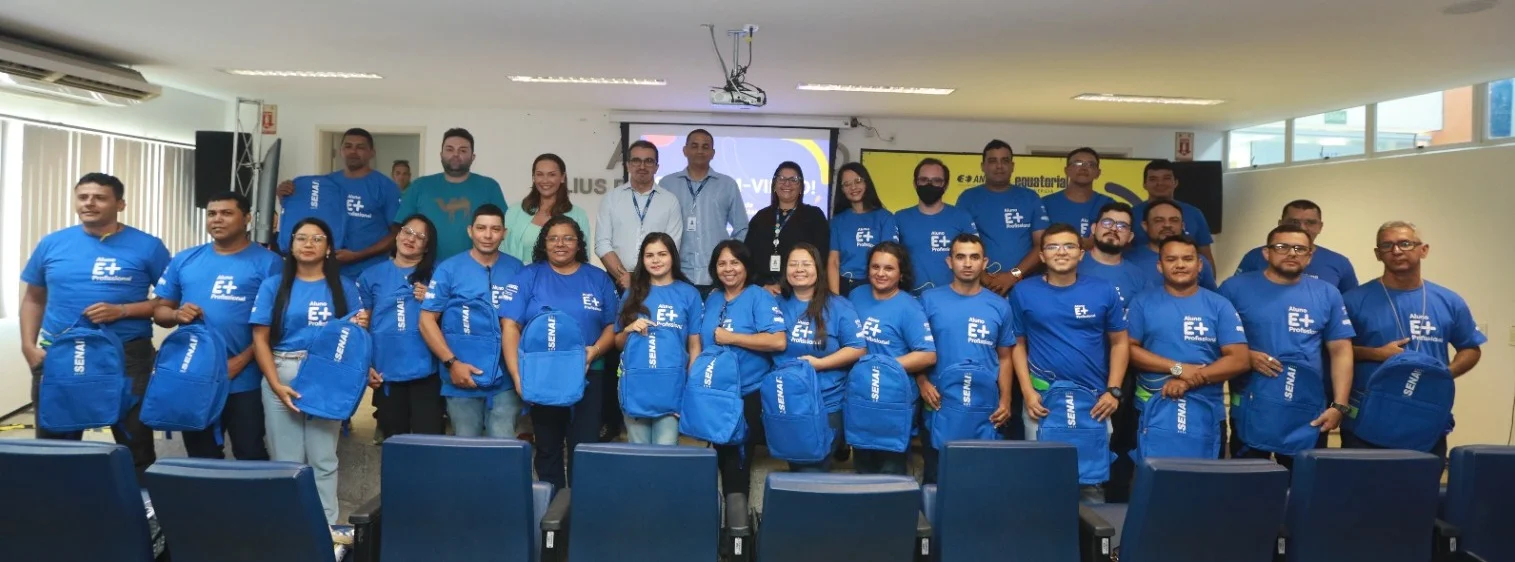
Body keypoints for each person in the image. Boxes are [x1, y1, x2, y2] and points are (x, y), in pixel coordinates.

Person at [21, 172, 170, 476]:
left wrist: (124, 310)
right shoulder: (52, 244)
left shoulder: (148, 246)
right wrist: (27, 346)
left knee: (135, 442)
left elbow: (169, 303)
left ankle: (143, 512)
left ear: (120, 204)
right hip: (60, 354)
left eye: (100, 197)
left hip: (127, 356)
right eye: (83, 196)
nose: (89, 203)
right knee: (55, 443)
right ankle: (59, 510)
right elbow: (34, 298)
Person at [249, 217, 369, 526]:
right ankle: (290, 530)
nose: (309, 244)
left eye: (317, 239)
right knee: (286, 462)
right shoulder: (273, 286)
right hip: (282, 371)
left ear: (329, 248)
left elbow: (354, 339)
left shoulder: (344, 288)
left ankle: (326, 529)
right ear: (290, 245)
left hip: (326, 377)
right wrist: (275, 384)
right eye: (302, 238)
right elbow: (260, 339)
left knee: (323, 458)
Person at [152, 191, 280, 460]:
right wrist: (176, 315)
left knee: (250, 451)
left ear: (246, 218)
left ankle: (250, 503)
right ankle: (208, 503)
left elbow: (278, 325)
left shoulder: (270, 263)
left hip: (244, 378)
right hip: (194, 377)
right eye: (212, 214)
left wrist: (241, 361)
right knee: (201, 453)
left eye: (226, 213)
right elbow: (159, 311)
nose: (217, 219)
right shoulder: (185, 259)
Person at [1341, 221, 1484, 458]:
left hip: (1425, 419)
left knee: (1420, 493)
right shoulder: (1353, 301)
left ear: (1423, 250)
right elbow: (1334, 351)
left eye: (1405, 243)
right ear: (1378, 254)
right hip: (1367, 420)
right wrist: (1375, 354)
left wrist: (1444, 374)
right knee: (1361, 493)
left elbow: (1470, 348)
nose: (1396, 251)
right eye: (1387, 245)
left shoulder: (1449, 301)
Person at [1219, 225, 1355, 467]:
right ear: (1266, 253)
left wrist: (1339, 406)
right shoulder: (1234, 288)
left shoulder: (1328, 293)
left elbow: (1341, 351)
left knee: (1304, 489)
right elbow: (1214, 340)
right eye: (1282, 247)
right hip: (1252, 404)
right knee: (1246, 485)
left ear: (1310, 255)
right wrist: (1245, 356)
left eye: (1299, 248)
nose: (1291, 253)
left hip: (1307, 408)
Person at [500, 216, 619, 490]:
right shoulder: (529, 276)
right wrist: (518, 376)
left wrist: (594, 352)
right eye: (553, 238)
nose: (560, 244)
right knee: (547, 450)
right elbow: (510, 326)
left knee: (585, 451)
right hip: (542, 377)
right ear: (544, 244)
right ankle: (551, 518)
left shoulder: (598, 278)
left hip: (590, 374)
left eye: (568, 238)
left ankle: (581, 515)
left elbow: (613, 326)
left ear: (579, 244)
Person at [1124, 235, 1249, 454]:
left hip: (1206, 410)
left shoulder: (1219, 305)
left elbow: (1239, 360)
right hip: (1152, 410)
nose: (1180, 265)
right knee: (1154, 483)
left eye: (1187, 259)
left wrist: (1190, 381)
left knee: (1205, 483)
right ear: (1160, 266)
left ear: (1199, 264)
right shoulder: (1142, 302)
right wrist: (1178, 369)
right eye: (1171, 259)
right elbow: (1128, 350)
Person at [418, 204, 526, 438]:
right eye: (481, 228)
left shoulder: (516, 269)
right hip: (461, 376)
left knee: (504, 447)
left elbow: (523, 322)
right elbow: (426, 320)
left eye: (495, 229)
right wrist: (452, 363)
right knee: (466, 451)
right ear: (470, 231)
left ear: (504, 233)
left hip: (505, 378)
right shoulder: (449, 268)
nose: (488, 235)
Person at [1012, 224, 1129, 437]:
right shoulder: (1022, 291)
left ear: (1081, 254)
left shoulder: (1104, 289)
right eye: (1053, 246)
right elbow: (1017, 344)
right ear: (1042, 255)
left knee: (1092, 468)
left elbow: (1120, 342)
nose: (1061, 252)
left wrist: (1113, 391)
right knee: (1042, 468)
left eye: (1069, 246)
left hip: (1095, 399)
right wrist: (1027, 392)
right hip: (1042, 398)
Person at [918, 234, 1017, 483]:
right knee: (938, 479)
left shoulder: (1000, 306)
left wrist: (1005, 399)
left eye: (974, 257)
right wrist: (922, 383)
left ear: (985, 263)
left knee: (982, 482)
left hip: (984, 408)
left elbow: (1005, 357)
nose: (967, 263)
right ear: (949, 262)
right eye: (960, 257)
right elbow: (915, 349)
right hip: (940, 404)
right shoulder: (928, 300)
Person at [702, 240, 787, 496]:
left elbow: (778, 340)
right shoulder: (713, 297)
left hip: (747, 393)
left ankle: (737, 531)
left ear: (746, 266)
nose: (729, 269)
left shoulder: (758, 296)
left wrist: (733, 337)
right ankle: (716, 522)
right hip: (715, 392)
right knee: (716, 458)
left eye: (735, 262)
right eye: (722, 263)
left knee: (736, 461)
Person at [774, 243, 866, 472]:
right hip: (788, 401)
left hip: (828, 402)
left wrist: (820, 364)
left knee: (813, 469)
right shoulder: (774, 304)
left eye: (806, 263)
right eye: (793, 264)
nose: (799, 269)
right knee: (796, 465)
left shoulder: (839, 306)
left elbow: (858, 348)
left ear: (818, 268)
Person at [846, 242, 936, 475]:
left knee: (890, 468)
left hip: (895, 398)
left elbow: (927, 354)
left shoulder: (909, 307)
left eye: (888, 268)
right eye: (875, 267)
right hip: (861, 395)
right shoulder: (856, 296)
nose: (880, 273)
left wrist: (884, 366)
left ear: (901, 273)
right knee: (863, 464)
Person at [359, 214, 444, 438]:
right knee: (395, 441)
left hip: (427, 370)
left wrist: (436, 300)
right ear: (397, 235)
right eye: (407, 231)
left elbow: (457, 319)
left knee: (430, 441)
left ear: (427, 247)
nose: (411, 239)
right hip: (387, 371)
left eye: (420, 236)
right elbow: (361, 326)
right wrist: (365, 365)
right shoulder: (371, 275)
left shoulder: (439, 275)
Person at [614, 233, 703, 445]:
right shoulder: (632, 294)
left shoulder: (689, 293)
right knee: (638, 454)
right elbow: (617, 343)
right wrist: (629, 329)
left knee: (666, 453)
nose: (656, 260)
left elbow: (694, 345)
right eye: (649, 255)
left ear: (673, 256)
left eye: (662, 254)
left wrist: (690, 386)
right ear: (642, 260)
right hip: (636, 384)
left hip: (672, 385)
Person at [659, 129, 751, 297]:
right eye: (694, 146)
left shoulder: (727, 184)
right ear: (685, 150)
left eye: (705, 146)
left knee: (715, 323)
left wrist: (729, 259)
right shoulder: (667, 184)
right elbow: (659, 229)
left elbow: (742, 227)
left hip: (717, 277)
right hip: (678, 275)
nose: (700, 151)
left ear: (713, 153)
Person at [394, 128, 509, 261]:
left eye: (463, 150)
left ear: (473, 157)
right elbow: (402, 228)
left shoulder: (489, 187)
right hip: (425, 269)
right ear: (441, 154)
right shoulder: (420, 186)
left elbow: (502, 229)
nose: (455, 154)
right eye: (449, 149)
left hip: (476, 268)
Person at [955, 140, 1049, 295]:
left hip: (1026, 285)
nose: (999, 166)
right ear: (983, 166)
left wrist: (1013, 276)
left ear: (1012, 166)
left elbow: (1042, 245)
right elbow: (962, 244)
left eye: (1005, 161)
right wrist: (984, 277)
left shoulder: (1030, 197)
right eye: (992, 161)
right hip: (982, 286)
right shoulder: (968, 198)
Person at [597, 140, 684, 289]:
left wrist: (643, 280)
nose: (642, 166)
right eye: (636, 161)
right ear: (628, 165)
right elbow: (602, 243)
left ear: (657, 167)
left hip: (656, 281)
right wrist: (624, 277)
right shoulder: (611, 199)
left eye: (648, 161)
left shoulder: (670, 201)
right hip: (618, 281)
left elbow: (671, 247)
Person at [1234, 200, 1358, 294]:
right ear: (1280, 224)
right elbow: (1235, 294)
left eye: (1310, 223)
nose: (1302, 228)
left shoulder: (1339, 263)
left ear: (1320, 227)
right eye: (1294, 222)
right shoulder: (1255, 256)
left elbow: (1349, 308)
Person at [326, 128, 403, 277]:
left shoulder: (386, 187)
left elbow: (397, 234)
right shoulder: (326, 183)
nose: (353, 151)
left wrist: (357, 255)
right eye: (348, 146)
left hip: (371, 272)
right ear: (341, 151)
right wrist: (285, 194)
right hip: (329, 272)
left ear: (371, 153)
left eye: (360, 147)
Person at [745, 161, 831, 292]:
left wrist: (791, 285)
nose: (787, 183)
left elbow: (821, 257)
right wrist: (762, 285)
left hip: (801, 289)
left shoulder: (814, 216)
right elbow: (747, 256)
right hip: (763, 290)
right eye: (781, 178)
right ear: (774, 185)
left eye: (793, 179)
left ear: (801, 187)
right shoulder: (761, 217)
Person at [895, 158, 977, 293]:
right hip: (911, 299)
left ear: (945, 185)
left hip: (953, 299)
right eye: (924, 180)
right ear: (915, 183)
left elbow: (974, 259)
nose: (929, 185)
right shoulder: (899, 218)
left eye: (936, 181)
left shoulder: (962, 217)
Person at [503, 153, 591, 264]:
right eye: (539, 174)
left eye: (552, 175)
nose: (545, 180)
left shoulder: (578, 215)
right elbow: (502, 252)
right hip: (521, 278)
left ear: (562, 177)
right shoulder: (514, 211)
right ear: (533, 177)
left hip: (562, 280)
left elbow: (583, 258)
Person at [829, 163, 898, 297]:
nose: (853, 187)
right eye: (846, 184)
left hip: (874, 285)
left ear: (867, 183)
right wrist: (835, 299)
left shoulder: (885, 218)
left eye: (858, 181)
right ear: (842, 189)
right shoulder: (837, 221)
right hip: (844, 286)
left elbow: (888, 259)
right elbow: (833, 261)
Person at [1130, 159, 1216, 265]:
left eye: (1166, 178)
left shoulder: (1195, 214)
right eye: (1153, 179)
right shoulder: (1131, 215)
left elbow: (1206, 256)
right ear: (1144, 184)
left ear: (1175, 182)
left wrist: (1209, 280)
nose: (1160, 183)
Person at [1125, 199, 1217, 291]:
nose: (1167, 225)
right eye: (1159, 220)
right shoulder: (1128, 260)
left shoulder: (1198, 261)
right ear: (1145, 226)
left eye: (1174, 220)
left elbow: (1211, 299)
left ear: (1182, 226)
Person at [1078, 202, 1151, 303]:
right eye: (1107, 223)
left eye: (1122, 226)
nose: (1113, 228)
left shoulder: (1139, 278)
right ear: (1093, 228)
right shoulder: (1072, 264)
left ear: (1130, 237)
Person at [1041, 148, 1116, 238]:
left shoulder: (1108, 204)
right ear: (1067, 170)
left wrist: (1094, 243)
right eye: (1078, 163)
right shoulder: (1045, 204)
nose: (1084, 168)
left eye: (1091, 164)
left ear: (1098, 173)